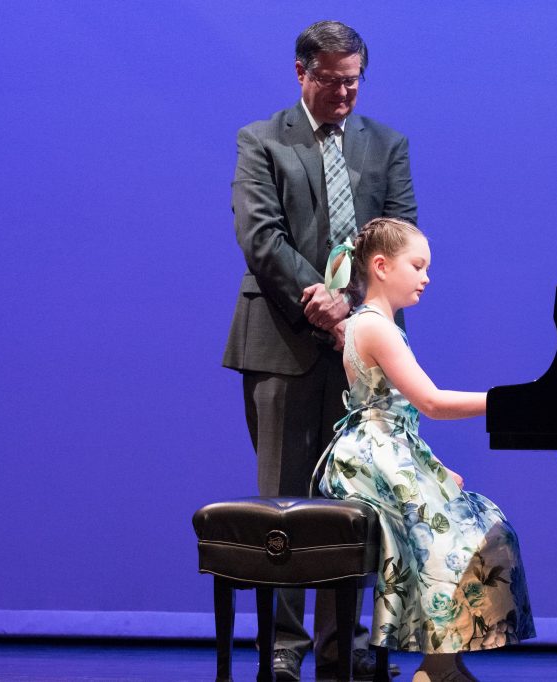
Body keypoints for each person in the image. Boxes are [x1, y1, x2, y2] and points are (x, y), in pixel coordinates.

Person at [222, 20, 416, 681]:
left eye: (353, 81)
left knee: (357, 501)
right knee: (283, 500)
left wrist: (357, 312)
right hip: (280, 341)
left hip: (364, 350)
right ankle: (283, 648)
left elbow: (399, 237)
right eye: (332, 81)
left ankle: (343, 645)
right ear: (301, 74)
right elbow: (260, 236)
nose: (344, 94)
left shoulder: (386, 145)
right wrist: (321, 298)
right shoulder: (262, 141)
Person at [313, 217, 535, 682]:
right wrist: (508, 400)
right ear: (381, 266)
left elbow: (401, 418)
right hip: (370, 455)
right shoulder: (375, 327)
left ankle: (444, 663)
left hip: (386, 447)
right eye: (417, 266)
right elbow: (431, 403)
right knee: (456, 531)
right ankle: (436, 668)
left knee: (479, 522)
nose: (426, 277)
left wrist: (433, 468)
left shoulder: (375, 324)